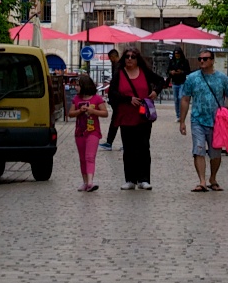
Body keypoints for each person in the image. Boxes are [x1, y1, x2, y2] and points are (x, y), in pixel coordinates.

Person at [178, 47, 228, 192]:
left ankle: (213, 178)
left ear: (212, 61)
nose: (202, 61)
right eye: (200, 59)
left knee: (215, 153)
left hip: (217, 122)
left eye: (205, 59)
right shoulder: (192, 78)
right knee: (198, 149)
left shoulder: (222, 78)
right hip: (197, 119)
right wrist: (182, 121)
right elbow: (185, 99)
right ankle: (202, 181)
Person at [112, 45, 164, 189]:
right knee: (128, 148)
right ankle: (130, 179)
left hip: (143, 115)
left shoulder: (145, 72)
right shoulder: (119, 73)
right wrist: (128, 99)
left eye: (133, 57)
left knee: (143, 147)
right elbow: (113, 93)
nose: (129, 59)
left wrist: (155, 92)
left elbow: (161, 81)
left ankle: (144, 179)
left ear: (137, 59)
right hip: (126, 115)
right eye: (127, 56)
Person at [70, 72, 109, 191]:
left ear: (85, 85)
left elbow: (105, 113)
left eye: (78, 85)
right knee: (82, 158)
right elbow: (70, 114)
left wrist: (93, 112)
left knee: (89, 157)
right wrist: (79, 111)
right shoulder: (76, 99)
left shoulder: (97, 99)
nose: (75, 87)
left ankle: (91, 182)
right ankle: (85, 181)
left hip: (93, 132)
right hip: (79, 132)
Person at [100, 48, 122, 149]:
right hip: (116, 98)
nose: (110, 60)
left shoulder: (119, 66)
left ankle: (110, 142)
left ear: (113, 57)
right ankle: (110, 142)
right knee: (117, 121)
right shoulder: (117, 66)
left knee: (117, 121)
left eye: (110, 58)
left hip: (118, 99)